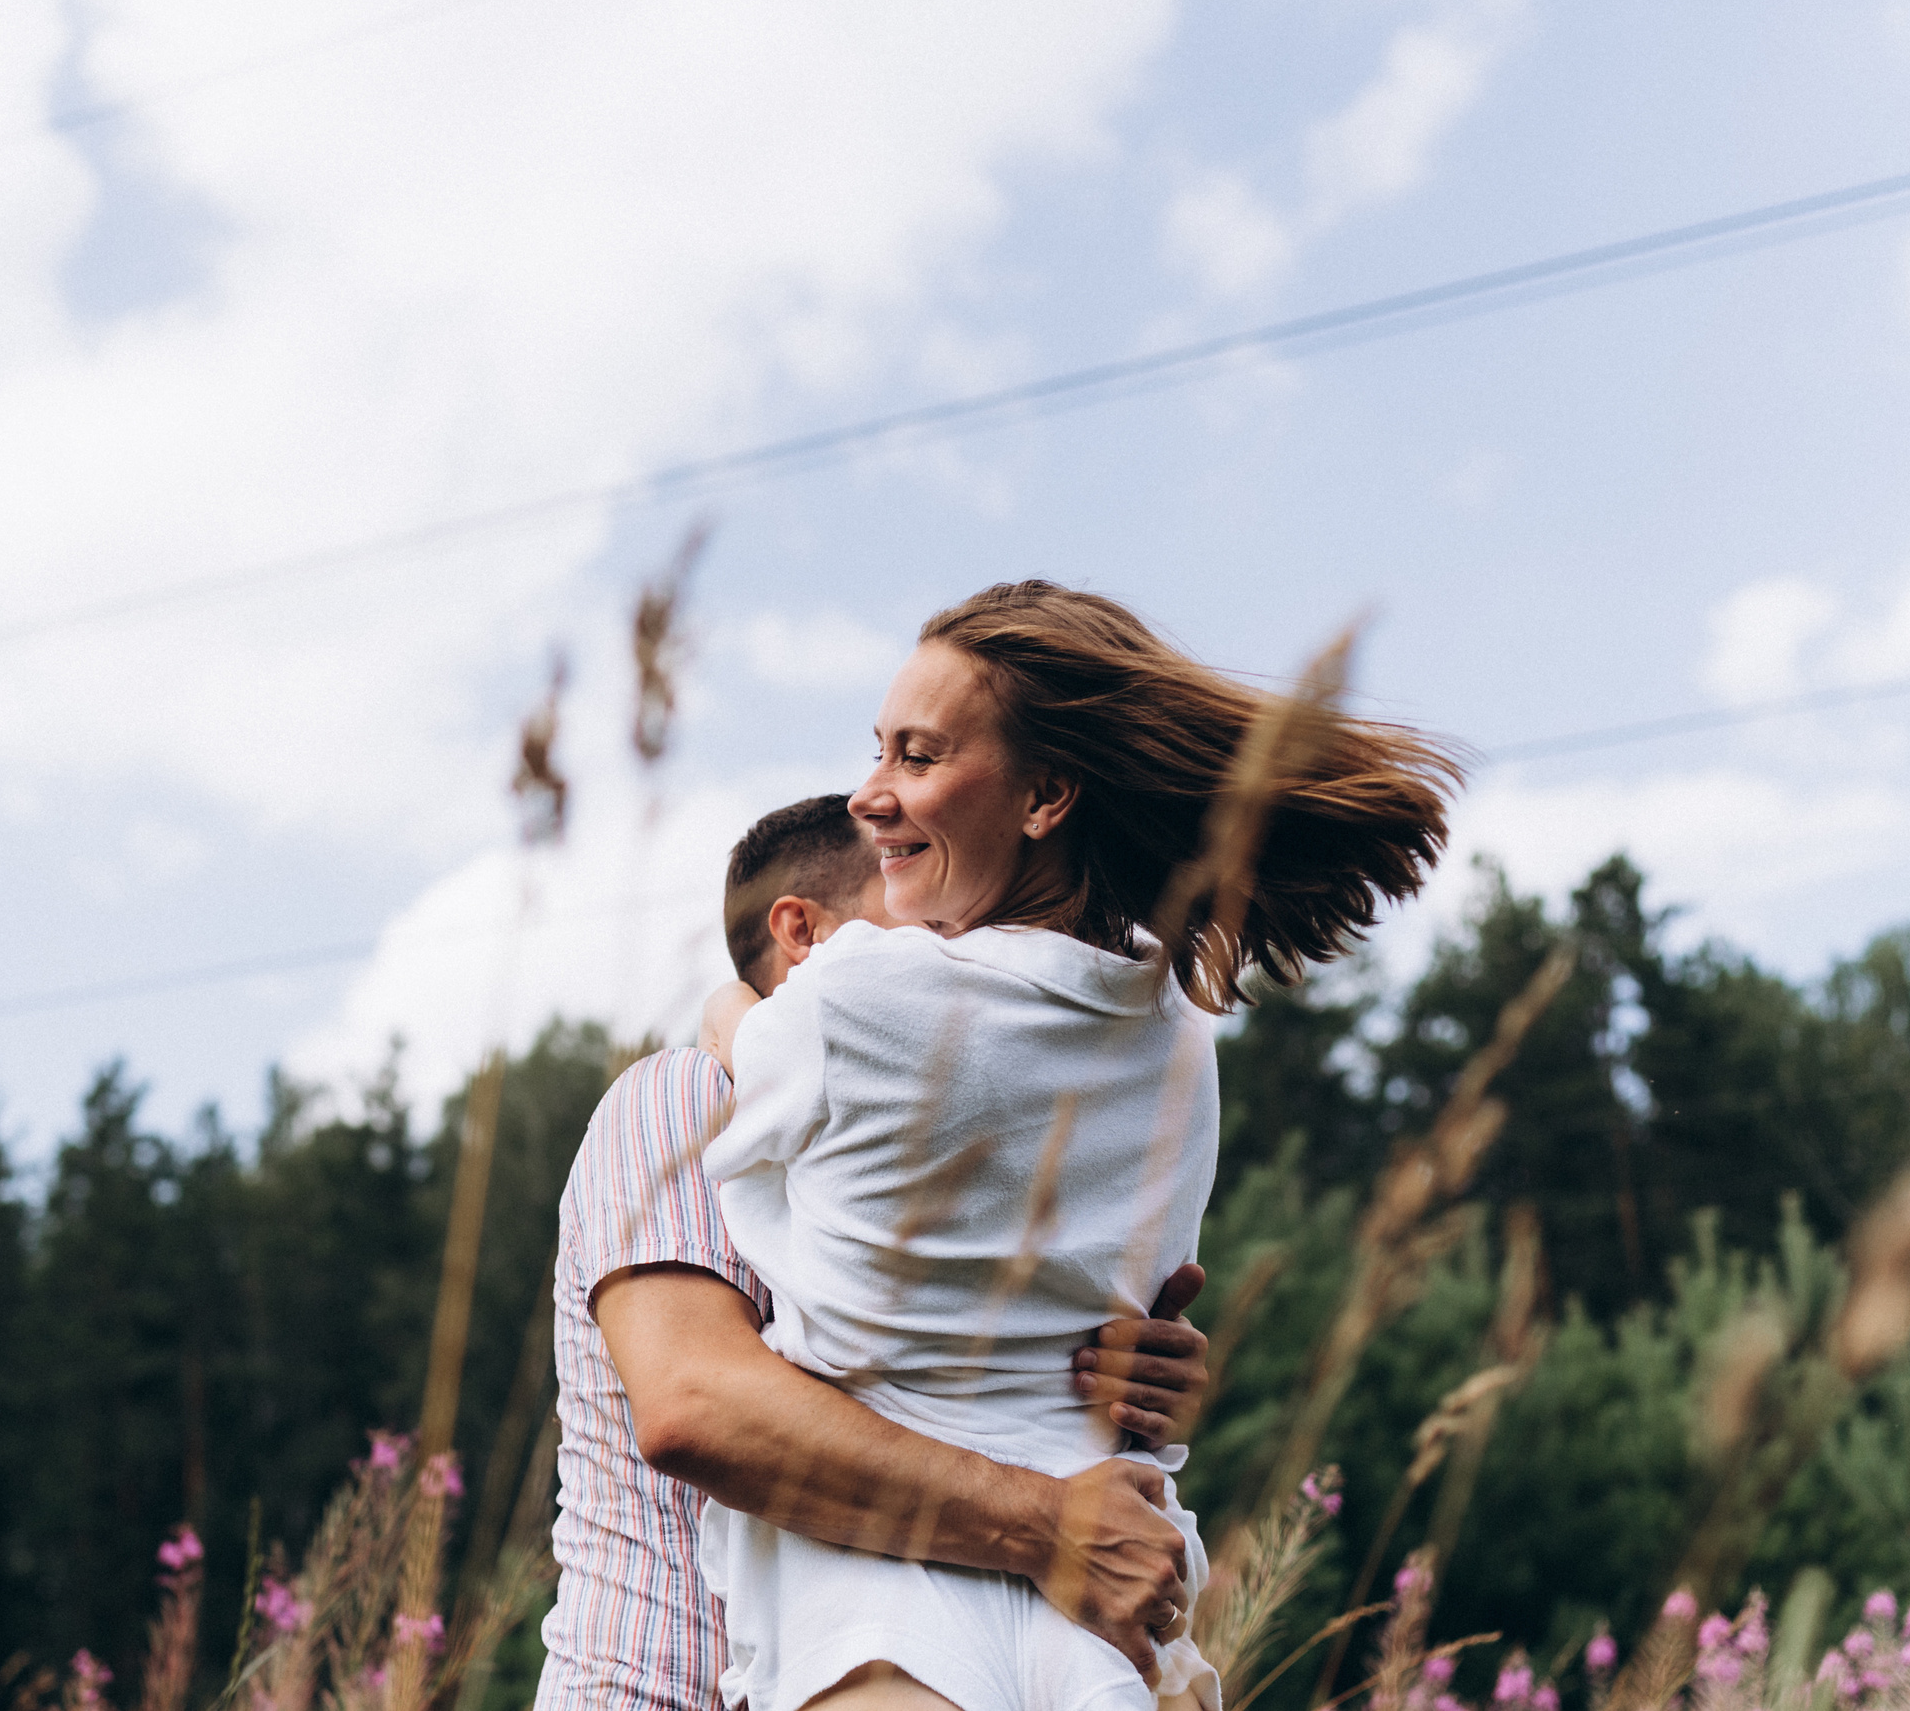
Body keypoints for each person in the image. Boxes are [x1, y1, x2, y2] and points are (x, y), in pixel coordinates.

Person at [699, 581, 1459, 1711]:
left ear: (1047, 795)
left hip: (879, 1606)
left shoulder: (861, 995)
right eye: (879, 749)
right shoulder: (1175, 1031)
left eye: (916, 755)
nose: (869, 793)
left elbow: (735, 1036)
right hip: (1109, 1610)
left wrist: (730, 1001)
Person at [537, 793, 1215, 1711]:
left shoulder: (920, 1159)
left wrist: (1128, 1381)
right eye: (925, 927)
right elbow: (698, 1404)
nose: (964, 956)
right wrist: (1054, 1524)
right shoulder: (686, 1098)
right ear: (803, 932)